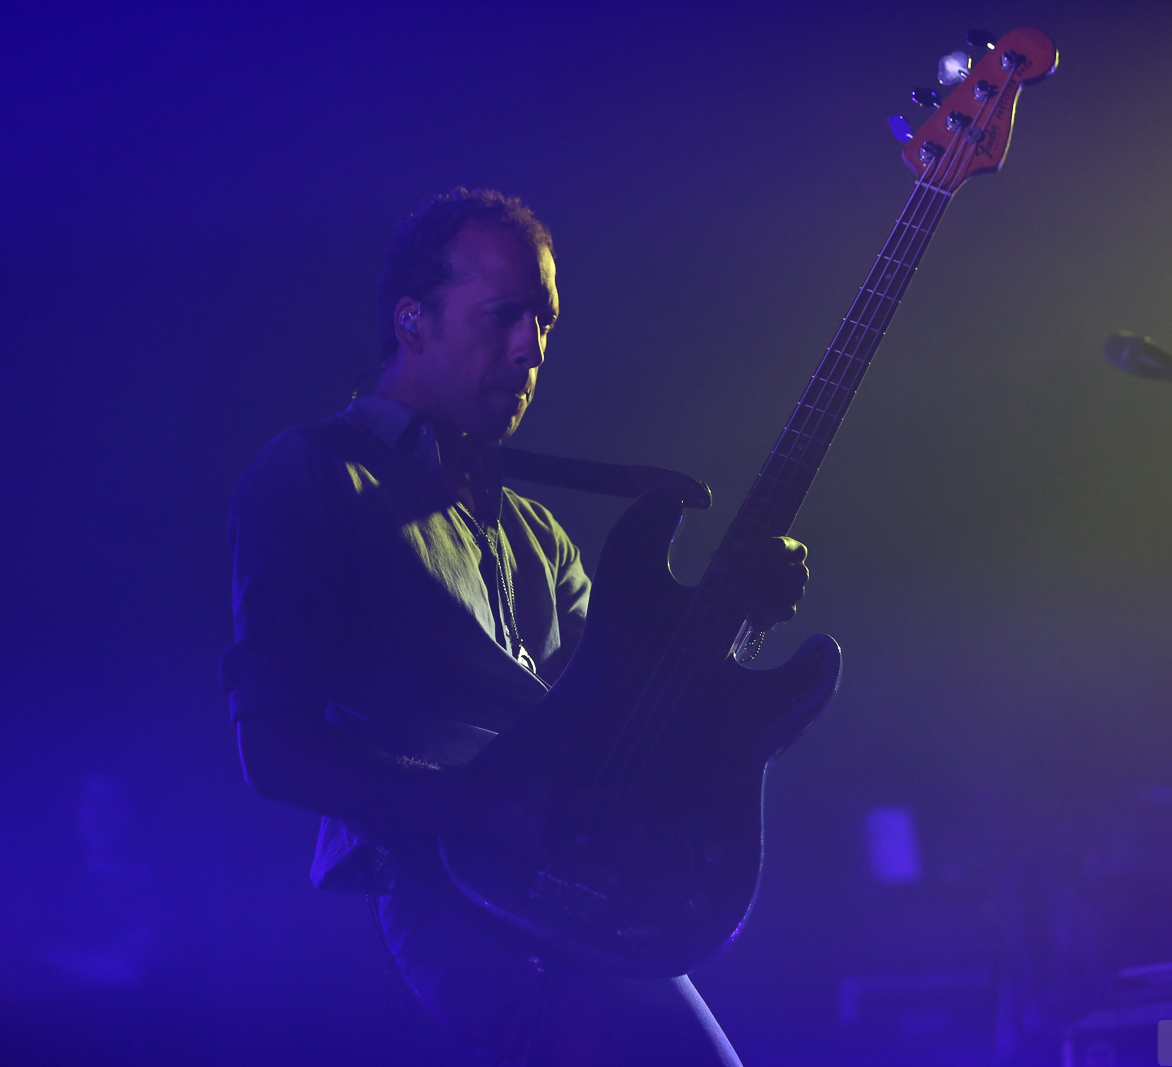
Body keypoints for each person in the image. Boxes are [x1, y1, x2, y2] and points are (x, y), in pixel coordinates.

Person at [222, 188, 809, 1065]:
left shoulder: (541, 536)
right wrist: (477, 806)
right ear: (413, 318)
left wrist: (739, 620)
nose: (531, 349)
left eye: (544, 322)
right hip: (429, 896)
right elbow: (273, 750)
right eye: (503, 315)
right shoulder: (313, 474)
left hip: (562, 889)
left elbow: (636, 728)